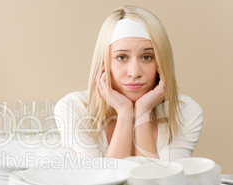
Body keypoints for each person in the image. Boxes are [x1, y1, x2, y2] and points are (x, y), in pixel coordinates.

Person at [54, 5, 203, 161]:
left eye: (147, 57)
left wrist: (142, 112)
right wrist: (125, 112)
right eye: (122, 57)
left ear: (161, 63)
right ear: (104, 62)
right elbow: (101, 183)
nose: (134, 72)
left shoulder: (186, 112)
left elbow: (158, 184)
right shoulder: (74, 108)